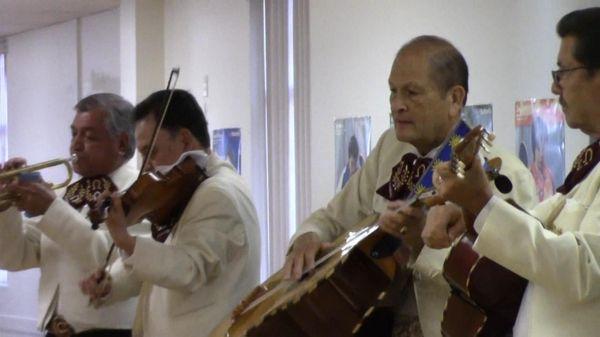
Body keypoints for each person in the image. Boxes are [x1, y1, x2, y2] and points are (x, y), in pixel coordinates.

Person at [283, 36, 536, 337]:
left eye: (412, 93)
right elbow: (334, 217)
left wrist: (422, 246)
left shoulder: (501, 174)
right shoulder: (390, 148)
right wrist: (307, 237)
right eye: (393, 92)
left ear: (455, 99)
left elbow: (505, 286)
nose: (396, 105)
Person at [431, 7, 600, 336]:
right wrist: (474, 212)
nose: (555, 87)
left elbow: (584, 268)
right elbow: (543, 231)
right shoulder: (591, 160)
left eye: (563, 72)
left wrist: (483, 204)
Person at [79, 89, 261, 337]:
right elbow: (160, 266)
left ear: (185, 140)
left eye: (151, 152)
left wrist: (125, 239)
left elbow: (188, 269)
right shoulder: (187, 188)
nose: (146, 167)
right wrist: (112, 284)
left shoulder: (218, 194)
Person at [0, 93, 144, 336]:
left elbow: (116, 260)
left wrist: (52, 210)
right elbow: (15, 258)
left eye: (89, 136)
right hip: (54, 329)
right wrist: (6, 209)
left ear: (120, 144)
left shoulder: (141, 192)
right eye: (73, 133)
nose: (75, 145)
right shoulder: (68, 192)